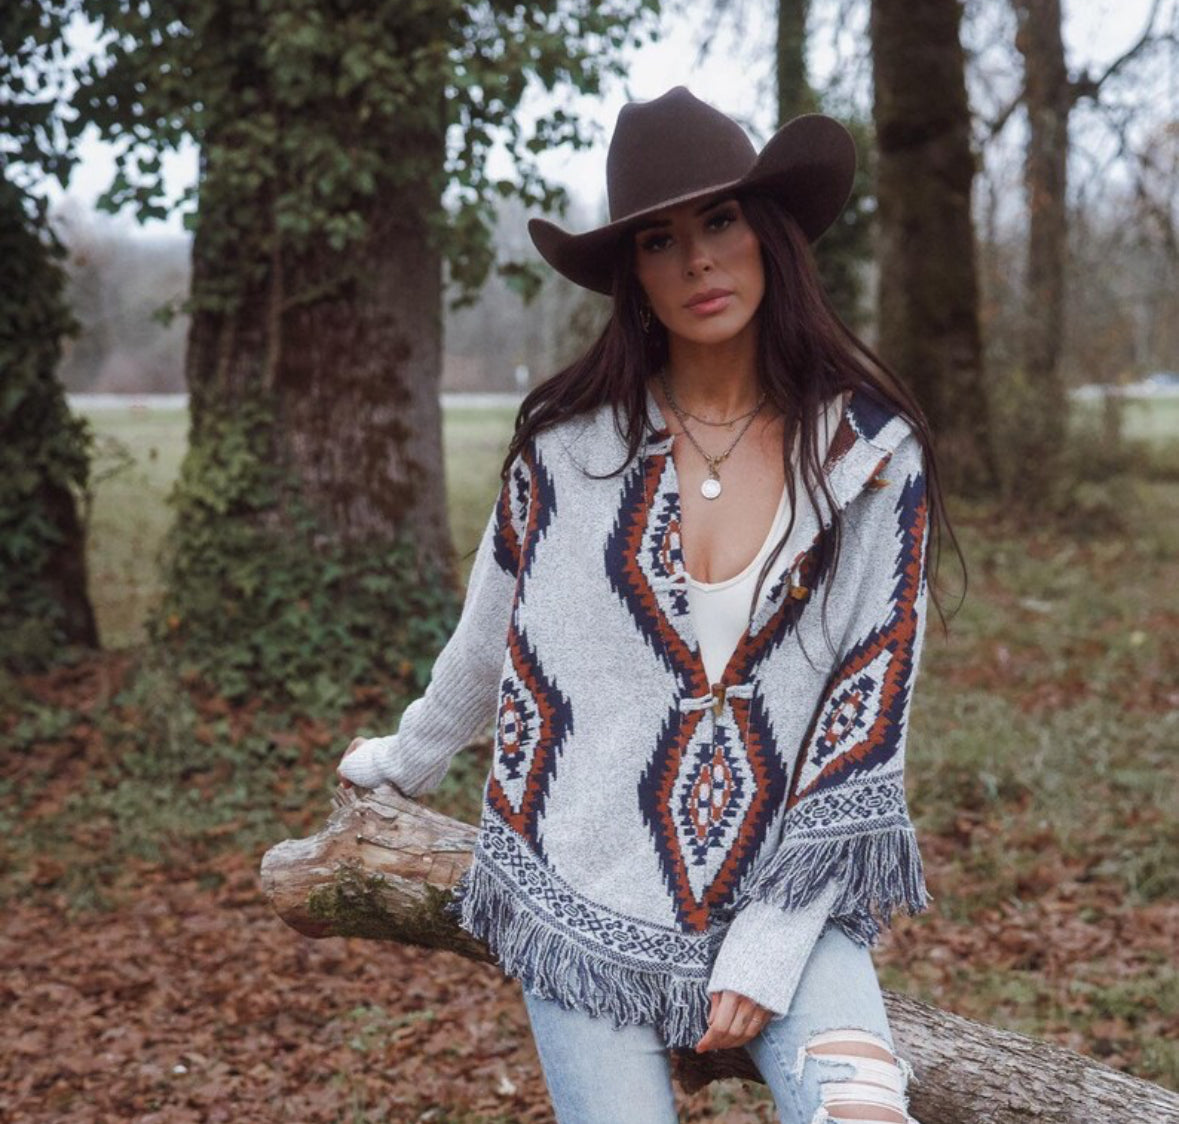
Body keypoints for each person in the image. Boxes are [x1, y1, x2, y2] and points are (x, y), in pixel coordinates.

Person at [338, 85, 961, 1124]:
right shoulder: (567, 449)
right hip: (582, 883)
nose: (699, 261)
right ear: (633, 271)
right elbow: (491, 640)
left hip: (789, 888)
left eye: (720, 220)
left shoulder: (869, 457)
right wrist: (405, 758)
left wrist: (767, 944)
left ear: (768, 232)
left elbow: (867, 726)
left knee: (866, 1115)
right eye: (660, 240)